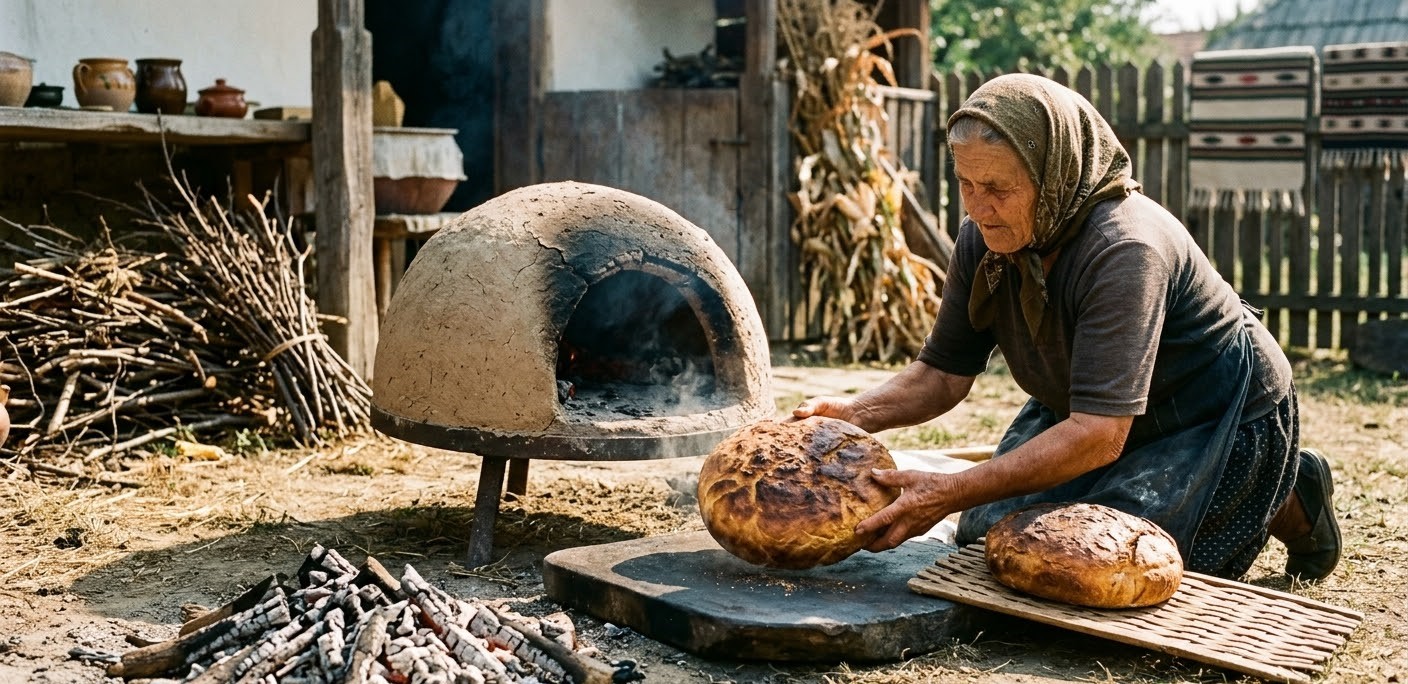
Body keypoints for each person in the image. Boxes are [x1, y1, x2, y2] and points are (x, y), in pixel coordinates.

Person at [793, 73, 1341, 581]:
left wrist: (949, 488)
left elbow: (1100, 435)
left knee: (1112, 567)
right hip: (1088, 412)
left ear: (1054, 174)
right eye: (966, 183)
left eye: (998, 188)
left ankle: (1292, 492)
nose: (979, 208)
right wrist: (850, 415)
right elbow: (942, 375)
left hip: (1207, 410)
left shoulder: (1125, 249)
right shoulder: (983, 238)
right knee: (987, 536)